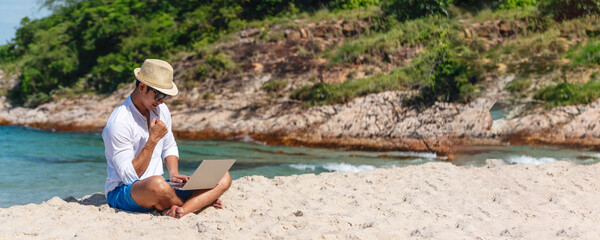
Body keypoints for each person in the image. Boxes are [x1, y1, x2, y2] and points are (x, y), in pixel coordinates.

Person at [102, 59, 232, 218]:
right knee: (156, 184)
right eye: (159, 95)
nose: (162, 101)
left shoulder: (160, 109)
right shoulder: (119, 123)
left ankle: (182, 210)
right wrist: (153, 140)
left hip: (164, 186)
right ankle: (197, 203)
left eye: (165, 96)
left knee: (223, 175)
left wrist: (174, 173)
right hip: (124, 191)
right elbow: (129, 176)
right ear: (142, 87)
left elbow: (169, 145)